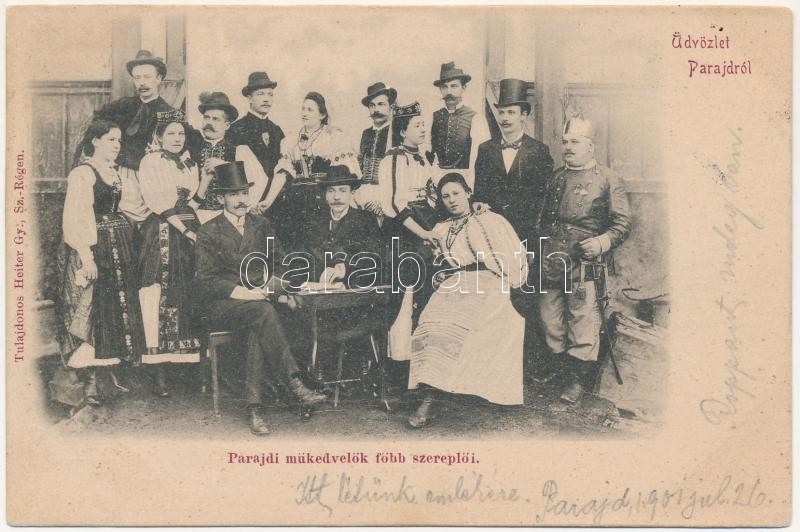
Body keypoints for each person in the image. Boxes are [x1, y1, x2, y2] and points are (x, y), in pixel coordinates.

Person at [194, 161, 327, 435]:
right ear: (220, 199)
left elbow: (279, 262)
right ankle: (295, 385)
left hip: (260, 301)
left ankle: (255, 408)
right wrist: (248, 293)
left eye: (244, 193)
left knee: (265, 317)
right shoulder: (208, 230)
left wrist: (274, 286)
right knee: (263, 311)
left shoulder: (261, 224)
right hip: (224, 304)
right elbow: (206, 280)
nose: (241, 200)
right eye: (234, 194)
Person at [407, 173, 528, 427]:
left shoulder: (488, 220)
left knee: (456, 327)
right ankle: (432, 387)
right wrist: (443, 271)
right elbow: (438, 260)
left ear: (468, 193)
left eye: (456, 193)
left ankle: (430, 400)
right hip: (455, 284)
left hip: (488, 282)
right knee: (430, 324)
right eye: (446, 196)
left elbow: (511, 256)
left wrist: (506, 281)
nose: (452, 200)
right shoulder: (441, 228)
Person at [535, 117, 631, 404]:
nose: (568, 147)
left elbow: (622, 223)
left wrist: (601, 242)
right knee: (550, 318)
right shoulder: (556, 177)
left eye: (575, 142)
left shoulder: (608, 179)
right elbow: (542, 218)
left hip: (585, 261)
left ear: (590, 146)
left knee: (583, 320)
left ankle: (577, 379)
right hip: (551, 258)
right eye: (565, 142)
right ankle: (559, 369)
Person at [56, 119, 147, 404]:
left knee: (113, 310)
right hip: (95, 248)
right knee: (93, 308)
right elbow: (76, 217)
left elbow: (128, 208)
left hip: (118, 246)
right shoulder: (83, 173)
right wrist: (87, 258)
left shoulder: (114, 172)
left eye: (119, 140)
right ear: (95, 141)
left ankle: (107, 378)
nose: (117, 145)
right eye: (111, 140)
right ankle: (90, 383)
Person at [137, 115, 208, 396]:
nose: (177, 139)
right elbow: (160, 203)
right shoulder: (151, 161)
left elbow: (190, 205)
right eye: (171, 134)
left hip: (186, 231)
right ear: (159, 137)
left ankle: (187, 371)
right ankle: (159, 373)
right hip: (162, 232)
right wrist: (187, 231)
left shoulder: (189, 163)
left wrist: (206, 179)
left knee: (185, 292)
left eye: (181, 134)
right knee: (158, 291)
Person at [369, 101, 442, 363]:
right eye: (417, 125)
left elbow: (433, 196)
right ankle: (399, 361)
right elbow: (393, 204)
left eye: (424, 125)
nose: (423, 129)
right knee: (405, 296)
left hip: (425, 228)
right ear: (402, 131)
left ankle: (425, 360)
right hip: (402, 234)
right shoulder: (393, 159)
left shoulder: (425, 158)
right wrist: (423, 233)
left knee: (428, 293)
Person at [92, 50, 177, 225]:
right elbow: (98, 125)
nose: (142, 83)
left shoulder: (168, 113)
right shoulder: (122, 106)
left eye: (147, 77)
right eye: (137, 78)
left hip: (151, 178)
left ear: (159, 78)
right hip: (121, 174)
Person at [272, 91, 360, 252]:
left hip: (322, 197)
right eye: (303, 109)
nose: (304, 113)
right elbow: (282, 172)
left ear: (322, 114)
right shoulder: (291, 140)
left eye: (310, 110)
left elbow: (345, 175)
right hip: (295, 198)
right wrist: (268, 200)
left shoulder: (333, 137)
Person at [186, 91, 268, 224]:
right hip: (196, 216)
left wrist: (225, 167)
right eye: (206, 117)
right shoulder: (190, 151)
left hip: (229, 218)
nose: (209, 123)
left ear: (227, 125)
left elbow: (260, 181)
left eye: (216, 119)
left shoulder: (239, 151)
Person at [302, 164, 383, 288]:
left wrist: (344, 269)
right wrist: (321, 275)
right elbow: (305, 257)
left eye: (343, 190)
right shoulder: (314, 221)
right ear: (325, 195)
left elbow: (374, 257)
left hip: (353, 288)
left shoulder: (365, 220)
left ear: (352, 193)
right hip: (319, 287)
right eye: (331, 191)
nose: (336, 197)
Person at [227, 72, 286, 211]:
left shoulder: (276, 130)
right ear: (249, 98)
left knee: (274, 229)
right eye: (260, 94)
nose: (266, 99)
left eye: (270, 94)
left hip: (276, 203)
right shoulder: (236, 129)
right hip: (249, 204)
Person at [429, 62, 490, 188]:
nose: (449, 92)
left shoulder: (476, 119)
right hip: (437, 179)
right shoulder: (432, 118)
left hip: (465, 180)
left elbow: (481, 159)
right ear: (440, 89)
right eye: (444, 87)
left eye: (454, 86)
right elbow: (426, 152)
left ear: (464, 88)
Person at [357, 82, 399, 185]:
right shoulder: (366, 133)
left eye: (381, 104)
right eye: (372, 105)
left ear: (391, 106)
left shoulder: (397, 131)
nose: (376, 110)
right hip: (366, 189)